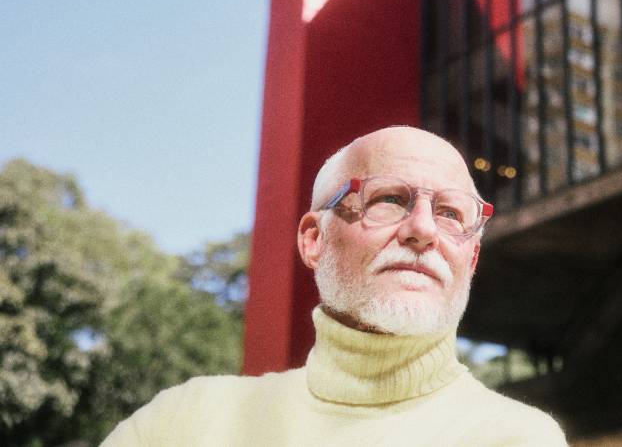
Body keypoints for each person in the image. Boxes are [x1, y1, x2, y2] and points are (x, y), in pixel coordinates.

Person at [102, 126, 566, 446]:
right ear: (314, 239)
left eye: (450, 213)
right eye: (388, 199)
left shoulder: (515, 438)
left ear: (472, 257)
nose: (423, 229)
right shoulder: (183, 421)